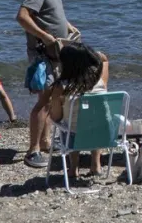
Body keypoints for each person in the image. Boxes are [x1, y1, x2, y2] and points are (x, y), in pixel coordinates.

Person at [16, 0, 82, 168]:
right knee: (44, 102)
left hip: (54, 54)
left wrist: (67, 26)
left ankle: (45, 142)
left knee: (53, 98)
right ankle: (33, 151)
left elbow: (48, 14)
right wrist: (46, 37)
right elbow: (23, 17)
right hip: (44, 55)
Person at [39, 42, 110, 179]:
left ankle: (73, 168)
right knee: (94, 120)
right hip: (103, 133)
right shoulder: (100, 81)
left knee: (69, 124)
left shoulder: (62, 87)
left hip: (75, 137)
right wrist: (94, 55)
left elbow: (56, 117)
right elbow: (104, 60)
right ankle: (96, 165)